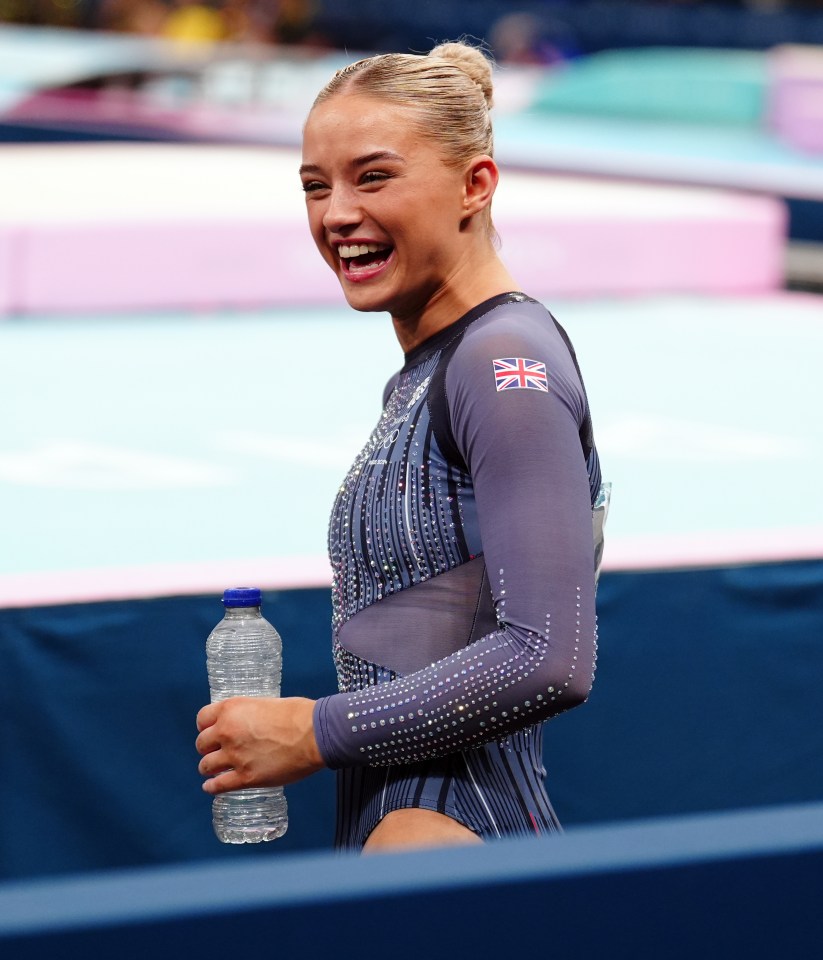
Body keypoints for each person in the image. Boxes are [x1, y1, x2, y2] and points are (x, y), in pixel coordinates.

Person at [196, 39, 604, 853]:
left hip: (444, 833)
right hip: (405, 827)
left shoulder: (500, 362)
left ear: (474, 184)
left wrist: (314, 732)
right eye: (315, 186)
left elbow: (550, 656)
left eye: (372, 176)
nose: (335, 213)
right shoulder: (439, 366)